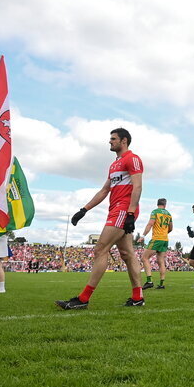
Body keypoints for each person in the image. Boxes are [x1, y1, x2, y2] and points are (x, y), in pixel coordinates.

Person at [55, 127, 144, 310]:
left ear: (124, 141)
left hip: (123, 211)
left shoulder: (132, 159)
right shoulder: (114, 165)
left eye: (113, 139)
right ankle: (137, 297)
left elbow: (138, 187)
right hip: (115, 210)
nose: (110, 141)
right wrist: (84, 209)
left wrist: (130, 213)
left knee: (100, 249)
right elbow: (105, 190)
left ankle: (83, 299)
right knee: (127, 255)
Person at [141, 198, 174, 290]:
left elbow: (150, 224)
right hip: (165, 239)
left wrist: (143, 235)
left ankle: (149, 281)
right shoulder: (169, 214)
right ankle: (161, 284)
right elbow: (171, 228)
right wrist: (164, 233)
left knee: (144, 258)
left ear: (157, 204)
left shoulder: (155, 212)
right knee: (161, 261)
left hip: (157, 238)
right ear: (165, 205)